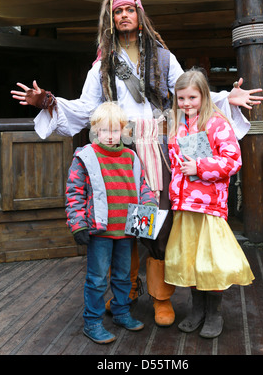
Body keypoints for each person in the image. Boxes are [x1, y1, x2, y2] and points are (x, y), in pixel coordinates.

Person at [11, 0, 263, 327]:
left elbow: (186, 91)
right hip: (121, 152)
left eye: (130, 10)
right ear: (111, 20)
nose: (124, 15)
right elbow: (87, 107)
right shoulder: (103, 63)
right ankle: (127, 291)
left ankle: (161, 297)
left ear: (140, 15)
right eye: (118, 12)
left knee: (156, 223)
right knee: (126, 219)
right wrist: (47, 101)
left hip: (157, 148)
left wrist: (223, 97)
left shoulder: (162, 56)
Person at [165, 69, 255, 338]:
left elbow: (232, 161)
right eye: (181, 98)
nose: (186, 103)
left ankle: (214, 313)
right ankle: (197, 310)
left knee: (211, 262)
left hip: (209, 207)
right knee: (192, 260)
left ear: (204, 95)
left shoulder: (217, 123)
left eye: (192, 97)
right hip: (184, 205)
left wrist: (199, 166)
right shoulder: (178, 125)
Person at [66, 101, 157, 344]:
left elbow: (143, 187)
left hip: (127, 230)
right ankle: (92, 322)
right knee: (96, 279)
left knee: (123, 276)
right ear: (94, 129)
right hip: (100, 231)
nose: (109, 135)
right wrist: (78, 224)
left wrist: (150, 209)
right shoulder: (85, 156)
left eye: (115, 130)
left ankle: (121, 312)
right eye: (104, 130)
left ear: (123, 131)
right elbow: (74, 193)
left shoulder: (131, 157)